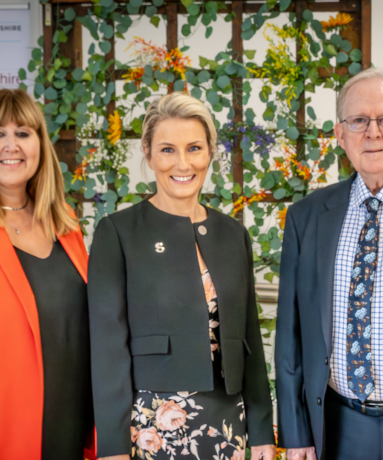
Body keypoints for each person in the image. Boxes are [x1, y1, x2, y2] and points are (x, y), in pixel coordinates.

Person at [88, 92, 276, 460]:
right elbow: (108, 352)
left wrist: (261, 432)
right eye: (168, 149)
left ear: (209, 153)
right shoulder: (117, 232)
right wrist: (112, 448)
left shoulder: (232, 233)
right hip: (151, 429)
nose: (183, 162)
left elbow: (248, 338)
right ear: (149, 154)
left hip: (228, 424)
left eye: (194, 148)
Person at [275, 68, 383, 460]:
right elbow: (290, 337)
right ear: (340, 135)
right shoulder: (306, 218)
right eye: (358, 121)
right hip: (341, 427)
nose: (372, 132)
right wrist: (294, 433)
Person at [0, 89, 95, 460]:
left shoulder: (65, 225)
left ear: (40, 143)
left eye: (23, 133)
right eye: (0, 134)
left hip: (73, 423)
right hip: (11, 430)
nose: (11, 145)